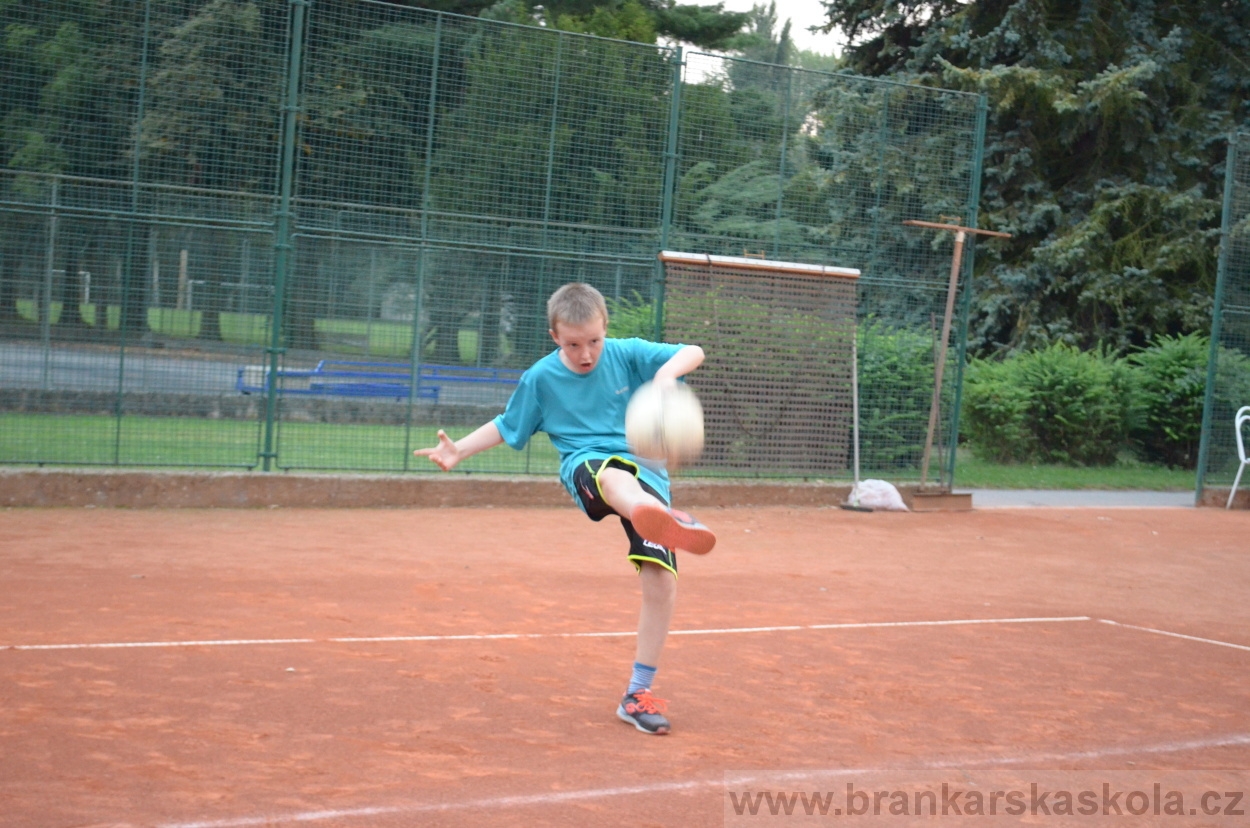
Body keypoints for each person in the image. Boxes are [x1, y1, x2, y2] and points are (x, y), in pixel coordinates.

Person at [414, 282, 716, 735]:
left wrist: (664, 376)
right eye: (573, 344)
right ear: (555, 336)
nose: (586, 353)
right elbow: (507, 424)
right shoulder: (540, 379)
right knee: (615, 476)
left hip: (648, 473)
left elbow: (693, 350)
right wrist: (459, 451)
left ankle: (636, 695)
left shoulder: (627, 353)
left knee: (660, 583)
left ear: (605, 330)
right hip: (587, 467)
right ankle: (651, 512)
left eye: (594, 341)